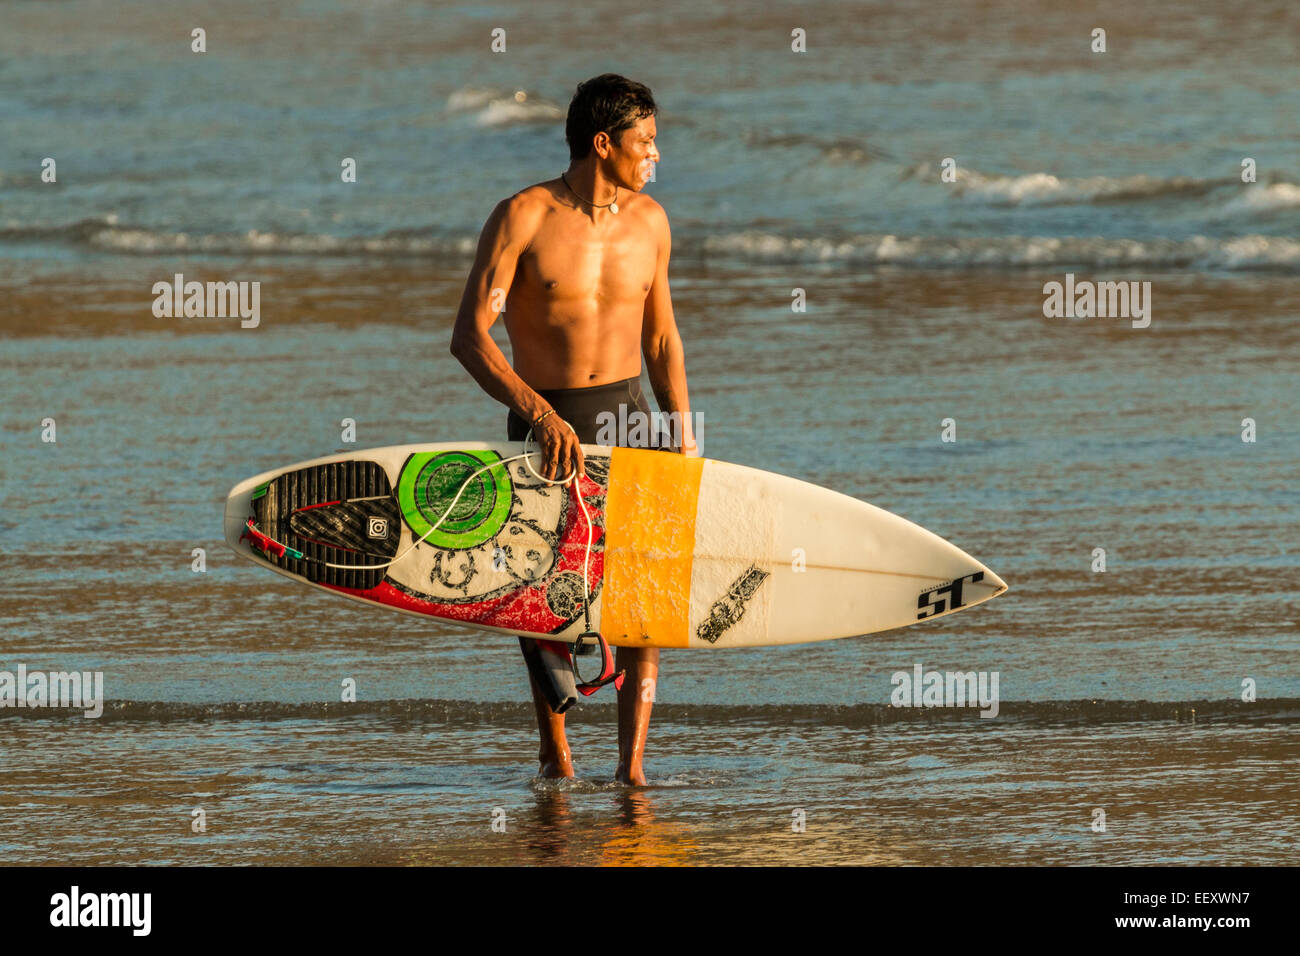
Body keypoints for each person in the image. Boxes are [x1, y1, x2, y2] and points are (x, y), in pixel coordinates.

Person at [449, 74, 698, 786]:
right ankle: (556, 753)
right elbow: (471, 336)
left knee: (643, 601)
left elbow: (662, 340)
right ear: (603, 143)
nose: (656, 154)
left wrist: (680, 432)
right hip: (546, 418)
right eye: (645, 141)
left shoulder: (651, 222)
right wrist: (539, 413)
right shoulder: (522, 216)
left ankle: (633, 769)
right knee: (542, 592)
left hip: (631, 419)